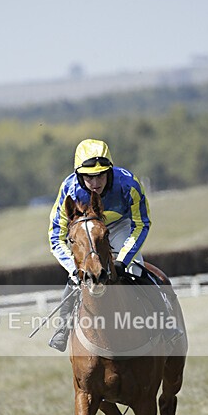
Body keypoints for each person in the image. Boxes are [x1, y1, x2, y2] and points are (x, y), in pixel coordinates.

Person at [47, 138, 152, 351]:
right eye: (89, 177)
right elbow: (56, 237)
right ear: (79, 175)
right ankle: (62, 328)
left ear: (109, 171)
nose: (95, 183)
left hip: (120, 227)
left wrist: (123, 260)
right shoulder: (69, 189)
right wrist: (74, 269)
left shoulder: (129, 184)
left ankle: (166, 324)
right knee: (74, 279)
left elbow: (142, 223)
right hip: (86, 231)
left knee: (136, 269)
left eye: (101, 175)